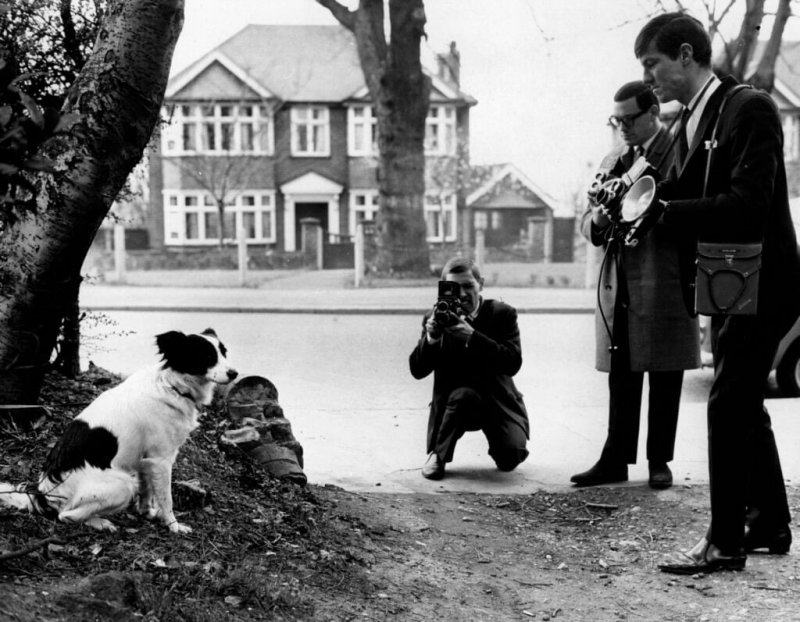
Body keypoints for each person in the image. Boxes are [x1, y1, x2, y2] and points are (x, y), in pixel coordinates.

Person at [634, 11, 800, 574]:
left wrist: (665, 211)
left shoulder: (747, 107)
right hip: (734, 283)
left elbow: (747, 204)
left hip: (763, 281)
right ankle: (769, 523)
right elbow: (682, 189)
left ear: (686, 54)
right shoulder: (702, 115)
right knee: (742, 402)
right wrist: (636, 199)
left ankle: (725, 542)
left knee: (728, 403)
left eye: (653, 64)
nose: (649, 78)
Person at [571, 81, 700, 490]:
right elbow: (587, 224)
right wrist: (603, 217)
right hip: (620, 278)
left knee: (666, 370)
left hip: (663, 273)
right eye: (616, 120)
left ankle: (659, 460)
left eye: (629, 119)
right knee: (621, 371)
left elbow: (690, 209)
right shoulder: (614, 158)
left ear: (653, 114)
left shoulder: (680, 152)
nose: (622, 127)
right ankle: (616, 457)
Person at [409, 257, 529, 480]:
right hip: (457, 405)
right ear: (443, 288)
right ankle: (439, 455)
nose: (462, 294)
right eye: (454, 288)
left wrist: (472, 337)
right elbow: (417, 370)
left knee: (510, 459)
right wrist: (432, 337)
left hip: (497, 401)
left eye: (468, 286)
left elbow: (513, 363)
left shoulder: (502, 314)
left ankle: (503, 443)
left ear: (481, 284)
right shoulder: (436, 317)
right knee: (463, 396)